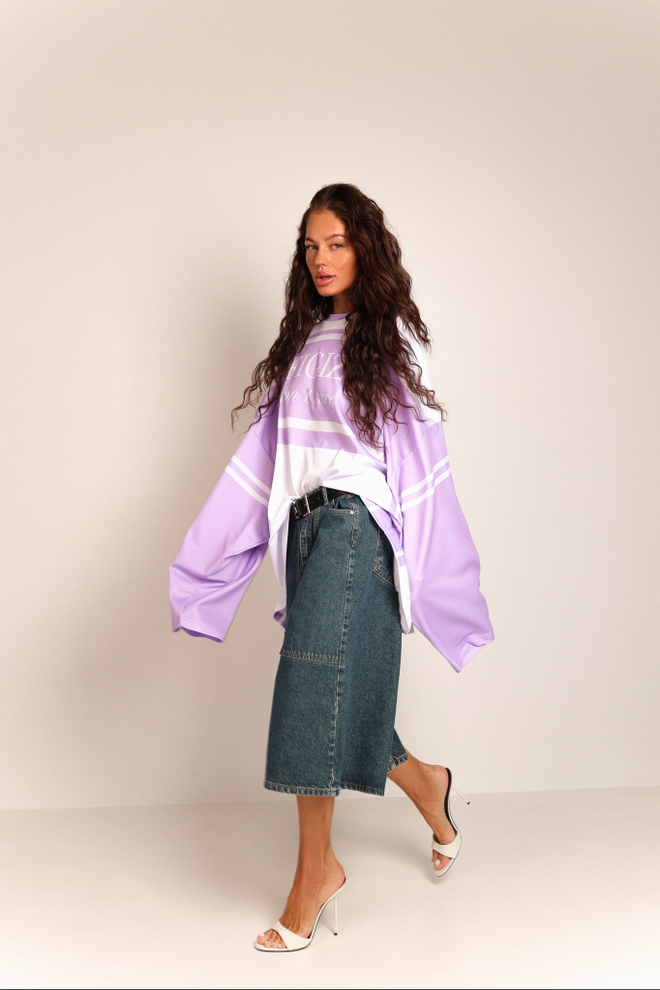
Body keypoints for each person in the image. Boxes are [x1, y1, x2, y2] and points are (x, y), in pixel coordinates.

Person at [169, 183, 494, 952]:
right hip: (308, 531)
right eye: (311, 246)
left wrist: (432, 576)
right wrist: (208, 562)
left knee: (310, 691)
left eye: (336, 244)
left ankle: (315, 874)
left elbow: (422, 461)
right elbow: (265, 462)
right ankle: (430, 785)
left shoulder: (388, 341)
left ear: (364, 249)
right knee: (342, 695)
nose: (321, 258)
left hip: (355, 528)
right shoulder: (306, 342)